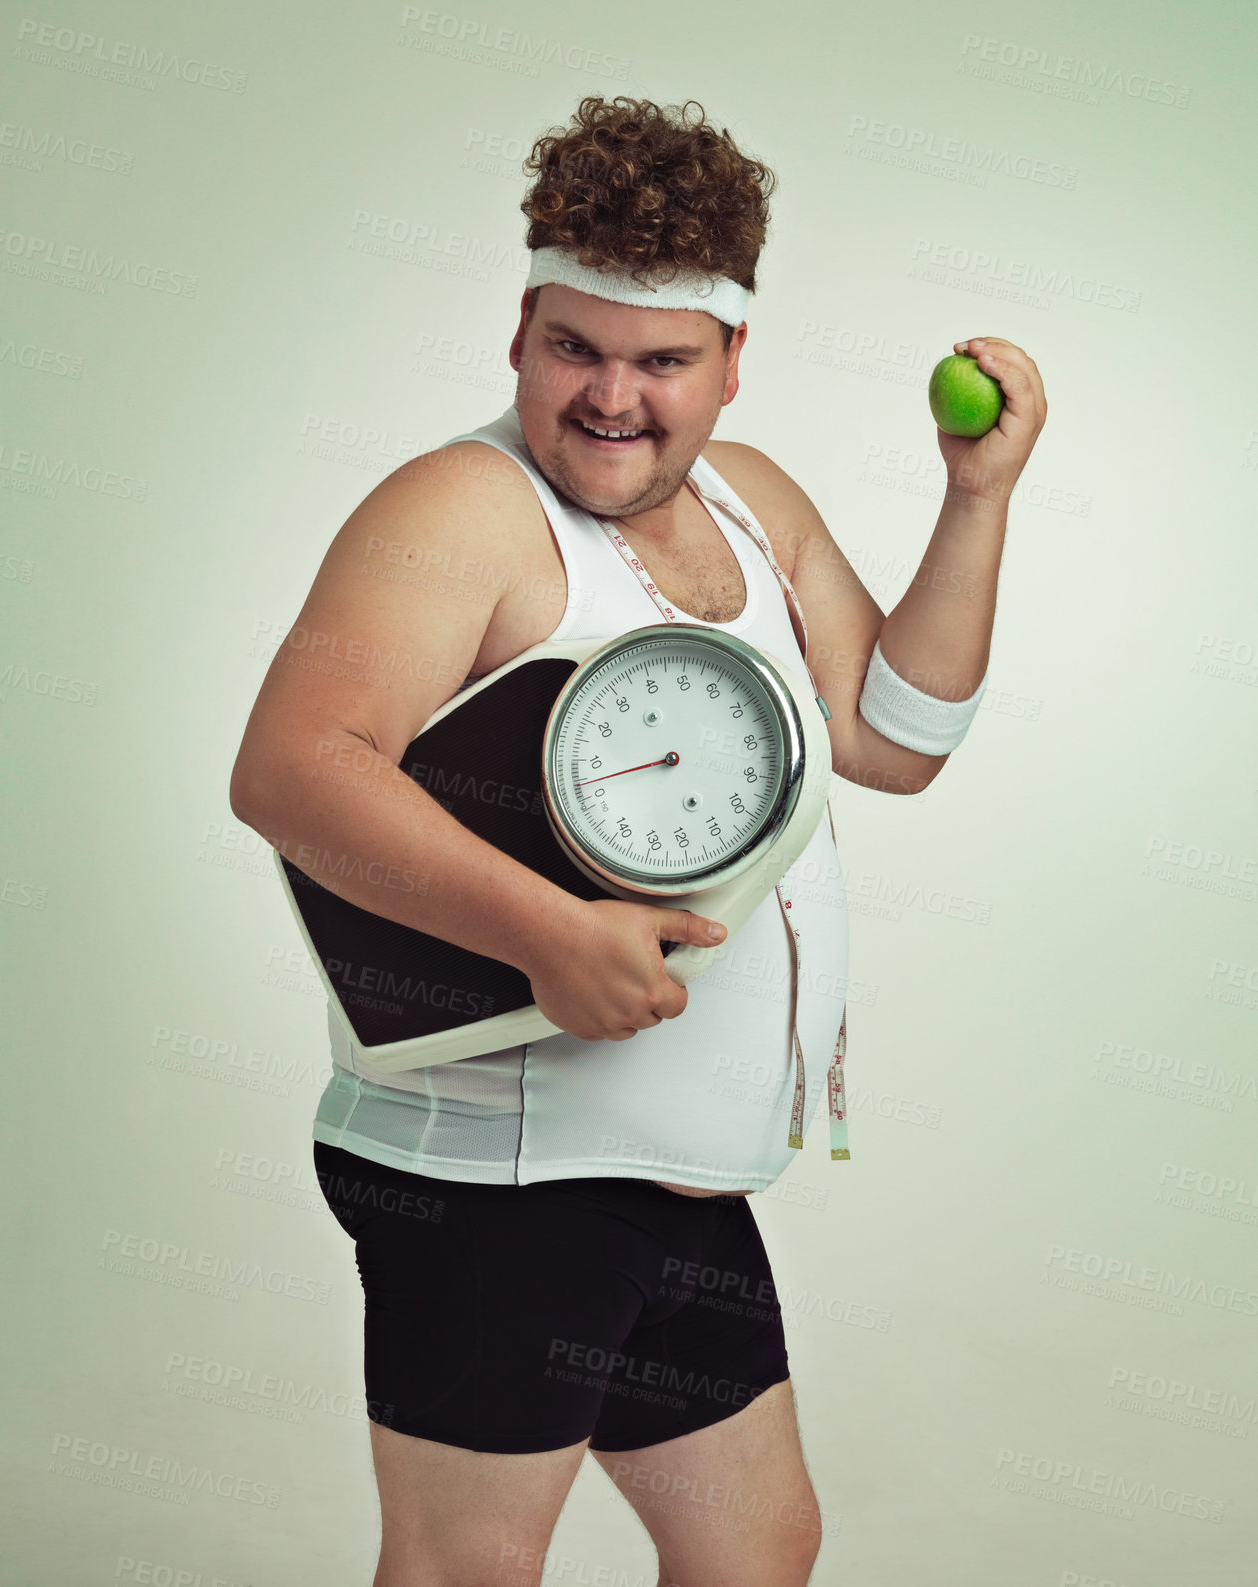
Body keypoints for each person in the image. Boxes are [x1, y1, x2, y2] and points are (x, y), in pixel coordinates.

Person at [230, 94, 1045, 1587]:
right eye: (574, 349)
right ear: (521, 326)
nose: (614, 398)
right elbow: (291, 769)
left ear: (735, 360)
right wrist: (547, 935)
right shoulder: (461, 510)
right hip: (502, 1179)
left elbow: (894, 740)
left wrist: (975, 497)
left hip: (673, 1174)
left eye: (662, 360)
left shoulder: (747, 500)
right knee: (470, 1566)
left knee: (756, 1549)